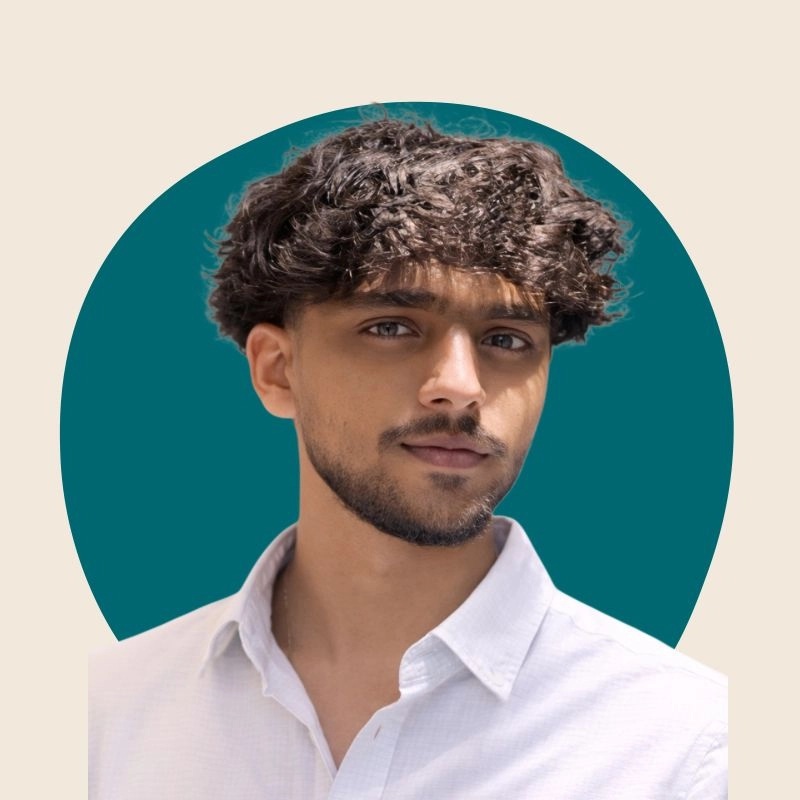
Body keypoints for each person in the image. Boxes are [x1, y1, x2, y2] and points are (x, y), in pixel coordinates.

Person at [90, 118, 727, 799]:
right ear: (278, 370)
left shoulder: (689, 748)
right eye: (392, 327)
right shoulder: (101, 718)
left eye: (507, 339)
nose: (460, 384)